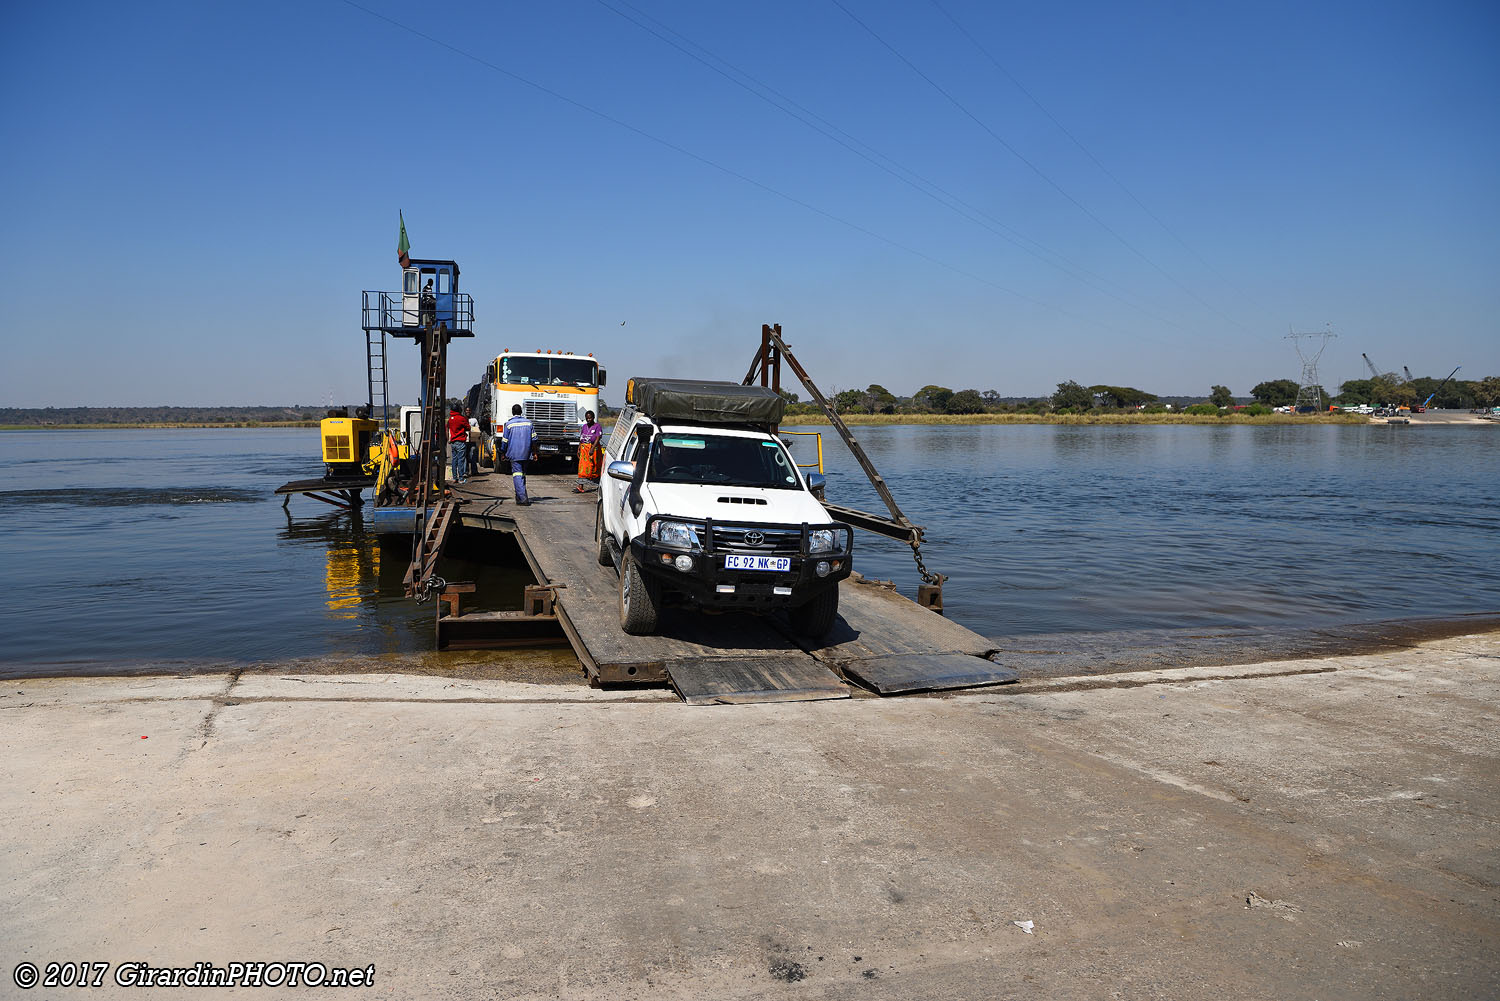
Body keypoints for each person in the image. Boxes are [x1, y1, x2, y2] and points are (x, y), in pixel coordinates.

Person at [500, 404, 534, 505]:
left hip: (514, 454)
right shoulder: (529, 423)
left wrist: (503, 452)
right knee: (522, 474)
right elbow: (534, 439)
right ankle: (519, 497)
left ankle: (523, 498)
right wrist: (534, 452)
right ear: (521, 412)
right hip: (526, 453)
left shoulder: (509, 424)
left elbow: (505, 441)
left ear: (512, 412)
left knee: (517, 475)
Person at [574, 410, 603, 493]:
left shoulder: (597, 426)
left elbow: (598, 438)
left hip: (593, 449)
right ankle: (580, 486)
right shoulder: (584, 427)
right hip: (584, 449)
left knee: (595, 467)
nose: (588, 420)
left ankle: (599, 485)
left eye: (590, 418)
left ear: (593, 418)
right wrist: (579, 448)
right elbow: (581, 438)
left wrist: (592, 448)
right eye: (587, 418)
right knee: (582, 467)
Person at [447, 404, 469, 485]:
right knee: (461, 460)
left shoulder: (450, 419)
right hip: (460, 441)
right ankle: (461, 478)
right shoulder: (461, 418)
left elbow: (448, 427)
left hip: (453, 442)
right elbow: (468, 427)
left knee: (454, 460)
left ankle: (454, 478)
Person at [465, 408, 480, 477]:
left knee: (473, 455)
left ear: (471, 411)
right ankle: (466, 471)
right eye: (467, 410)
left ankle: (474, 471)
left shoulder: (474, 420)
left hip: (472, 441)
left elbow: (477, 429)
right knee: (465, 456)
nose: (468, 412)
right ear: (465, 411)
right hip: (465, 441)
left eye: (469, 410)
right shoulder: (463, 419)